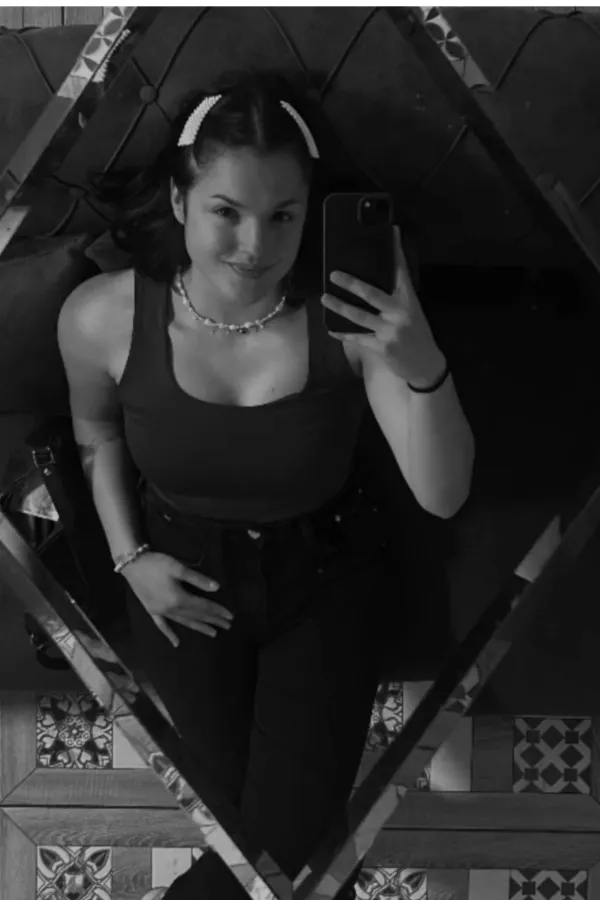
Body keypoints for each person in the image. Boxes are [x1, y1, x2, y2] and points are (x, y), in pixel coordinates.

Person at [57, 70, 475, 900]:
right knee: (253, 835)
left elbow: (444, 494)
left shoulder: (349, 319)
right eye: (227, 211)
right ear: (179, 201)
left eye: (284, 215)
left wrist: (421, 359)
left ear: (312, 211)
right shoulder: (101, 317)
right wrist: (129, 557)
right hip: (183, 578)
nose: (256, 245)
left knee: (278, 843)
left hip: (326, 577)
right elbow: (96, 434)